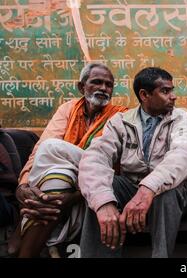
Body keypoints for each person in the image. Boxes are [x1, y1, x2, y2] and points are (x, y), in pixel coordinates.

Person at [78, 67, 187, 258]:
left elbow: (182, 155)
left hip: (176, 192)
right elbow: (95, 157)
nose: (173, 97)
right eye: (165, 91)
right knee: (101, 189)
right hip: (131, 187)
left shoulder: (181, 117)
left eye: (172, 90)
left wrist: (148, 188)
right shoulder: (121, 121)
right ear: (144, 95)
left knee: (167, 193)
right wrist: (103, 203)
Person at [12, 63, 128, 257]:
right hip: (61, 181)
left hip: (93, 184)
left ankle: (21, 235)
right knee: (58, 171)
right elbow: (39, 153)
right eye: (97, 82)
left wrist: (74, 197)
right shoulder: (68, 109)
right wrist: (23, 186)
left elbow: (114, 167)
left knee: (54, 151)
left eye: (109, 85)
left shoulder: (120, 116)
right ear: (81, 87)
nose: (103, 88)